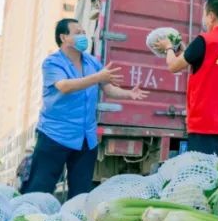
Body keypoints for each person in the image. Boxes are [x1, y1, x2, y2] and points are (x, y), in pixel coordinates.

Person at [24, 18, 149, 198]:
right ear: (64, 37)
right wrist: (98, 77)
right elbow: (65, 86)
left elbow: (108, 88)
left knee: (81, 195)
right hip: (55, 135)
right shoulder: (52, 63)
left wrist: (129, 94)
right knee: (39, 191)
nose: (83, 36)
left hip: (86, 137)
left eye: (84, 32)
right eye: (78, 33)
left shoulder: (91, 62)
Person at [152, 0, 218, 155]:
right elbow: (206, 64)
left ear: (211, 16)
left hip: (204, 126)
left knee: (202, 169)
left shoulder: (205, 40)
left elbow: (173, 66)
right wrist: (184, 49)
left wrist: (168, 47)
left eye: (204, 14)